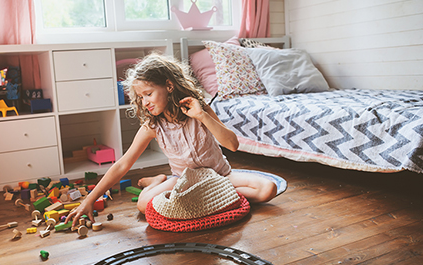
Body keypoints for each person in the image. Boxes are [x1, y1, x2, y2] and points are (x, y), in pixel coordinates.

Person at [65, 53, 277, 227]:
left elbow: (232, 144)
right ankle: (158, 181)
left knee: (268, 189)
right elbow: (123, 164)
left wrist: (201, 116)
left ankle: (212, 196)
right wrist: (89, 200)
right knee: (143, 204)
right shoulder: (153, 126)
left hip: (219, 176)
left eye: (148, 93)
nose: (145, 102)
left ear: (169, 85)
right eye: (141, 97)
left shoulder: (199, 108)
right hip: (181, 181)